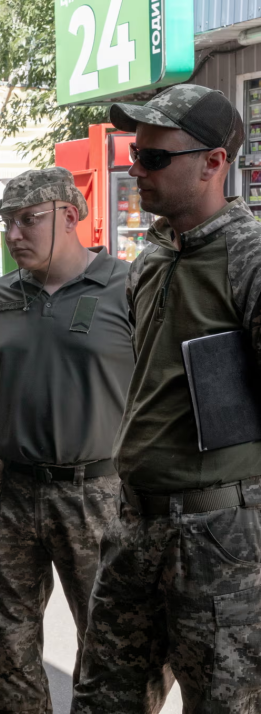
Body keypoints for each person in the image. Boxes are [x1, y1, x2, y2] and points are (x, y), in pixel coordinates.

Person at [73, 85, 261, 714]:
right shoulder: (152, 257)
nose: (136, 169)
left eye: (155, 158)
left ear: (213, 163)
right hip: (135, 524)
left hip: (220, 537)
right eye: (136, 153)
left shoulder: (249, 258)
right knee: (102, 700)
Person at [0, 168, 134, 714]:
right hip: (9, 496)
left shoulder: (128, 288)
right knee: (9, 641)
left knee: (110, 643)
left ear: (69, 217)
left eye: (28, 220)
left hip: (99, 495)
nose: (14, 234)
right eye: (7, 222)